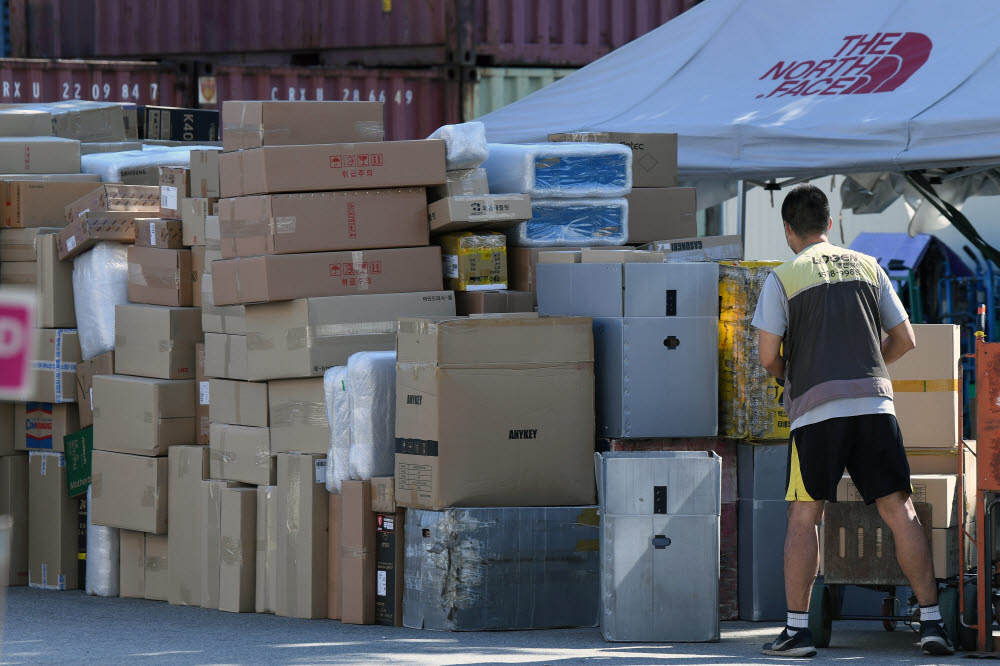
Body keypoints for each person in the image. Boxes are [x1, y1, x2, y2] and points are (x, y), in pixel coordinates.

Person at [751, 184, 954, 657]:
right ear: (829, 222)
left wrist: (793, 378)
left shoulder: (783, 278)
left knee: (805, 517)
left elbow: (766, 357)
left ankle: (798, 631)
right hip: (874, 408)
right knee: (899, 511)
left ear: (788, 230)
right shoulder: (867, 265)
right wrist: (870, 370)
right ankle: (932, 624)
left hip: (816, 413)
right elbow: (905, 340)